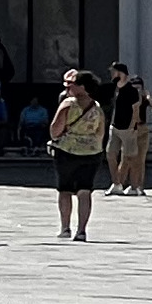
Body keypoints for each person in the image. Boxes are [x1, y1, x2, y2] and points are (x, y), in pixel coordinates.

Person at [44, 67, 108, 240]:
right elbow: (101, 132)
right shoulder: (97, 107)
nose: (69, 87)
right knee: (85, 191)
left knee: (65, 190)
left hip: (67, 152)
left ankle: (65, 228)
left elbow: (55, 130)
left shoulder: (68, 104)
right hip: (92, 153)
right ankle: (81, 230)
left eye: (73, 84)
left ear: (82, 87)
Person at [106, 62, 152, 195]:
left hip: (128, 128)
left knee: (130, 158)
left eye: (114, 71)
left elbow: (135, 109)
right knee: (110, 154)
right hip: (115, 126)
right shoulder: (115, 87)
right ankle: (116, 183)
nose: (112, 74)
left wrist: (133, 125)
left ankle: (134, 187)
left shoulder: (131, 90)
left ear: (120, 72)